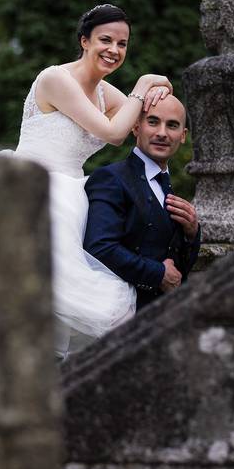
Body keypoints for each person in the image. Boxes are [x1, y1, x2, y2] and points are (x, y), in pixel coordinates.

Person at [3, 4, 173, 359]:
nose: (114, 50)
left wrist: (162, 84)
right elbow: (114, 132)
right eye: (106, 40)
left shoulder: (103, 92)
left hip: (75, 191)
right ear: (84, 41)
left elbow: (139, 114)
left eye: (122, 44)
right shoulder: (55, 79)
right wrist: (145, 83)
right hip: (35, 188)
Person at [83, 94, 201, 312]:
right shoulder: (110, 178)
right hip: (123, 318)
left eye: (172, 125)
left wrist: (191, 233)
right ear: (136, 127)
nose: (162, 133)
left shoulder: (166, 184)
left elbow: (178, 264)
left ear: (183, 136)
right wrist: (157, 274)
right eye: (153, 122)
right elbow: (98, 247)